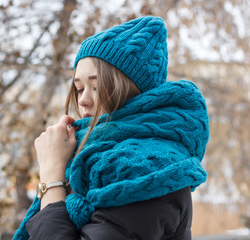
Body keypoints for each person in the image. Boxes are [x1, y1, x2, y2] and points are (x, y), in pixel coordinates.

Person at [13, 16, 210, 240]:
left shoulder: (144, 167)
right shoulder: (93, 157)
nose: (83, 101)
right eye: (79, 89)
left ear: (132, 93)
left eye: (96, 87)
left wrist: (51, 176)